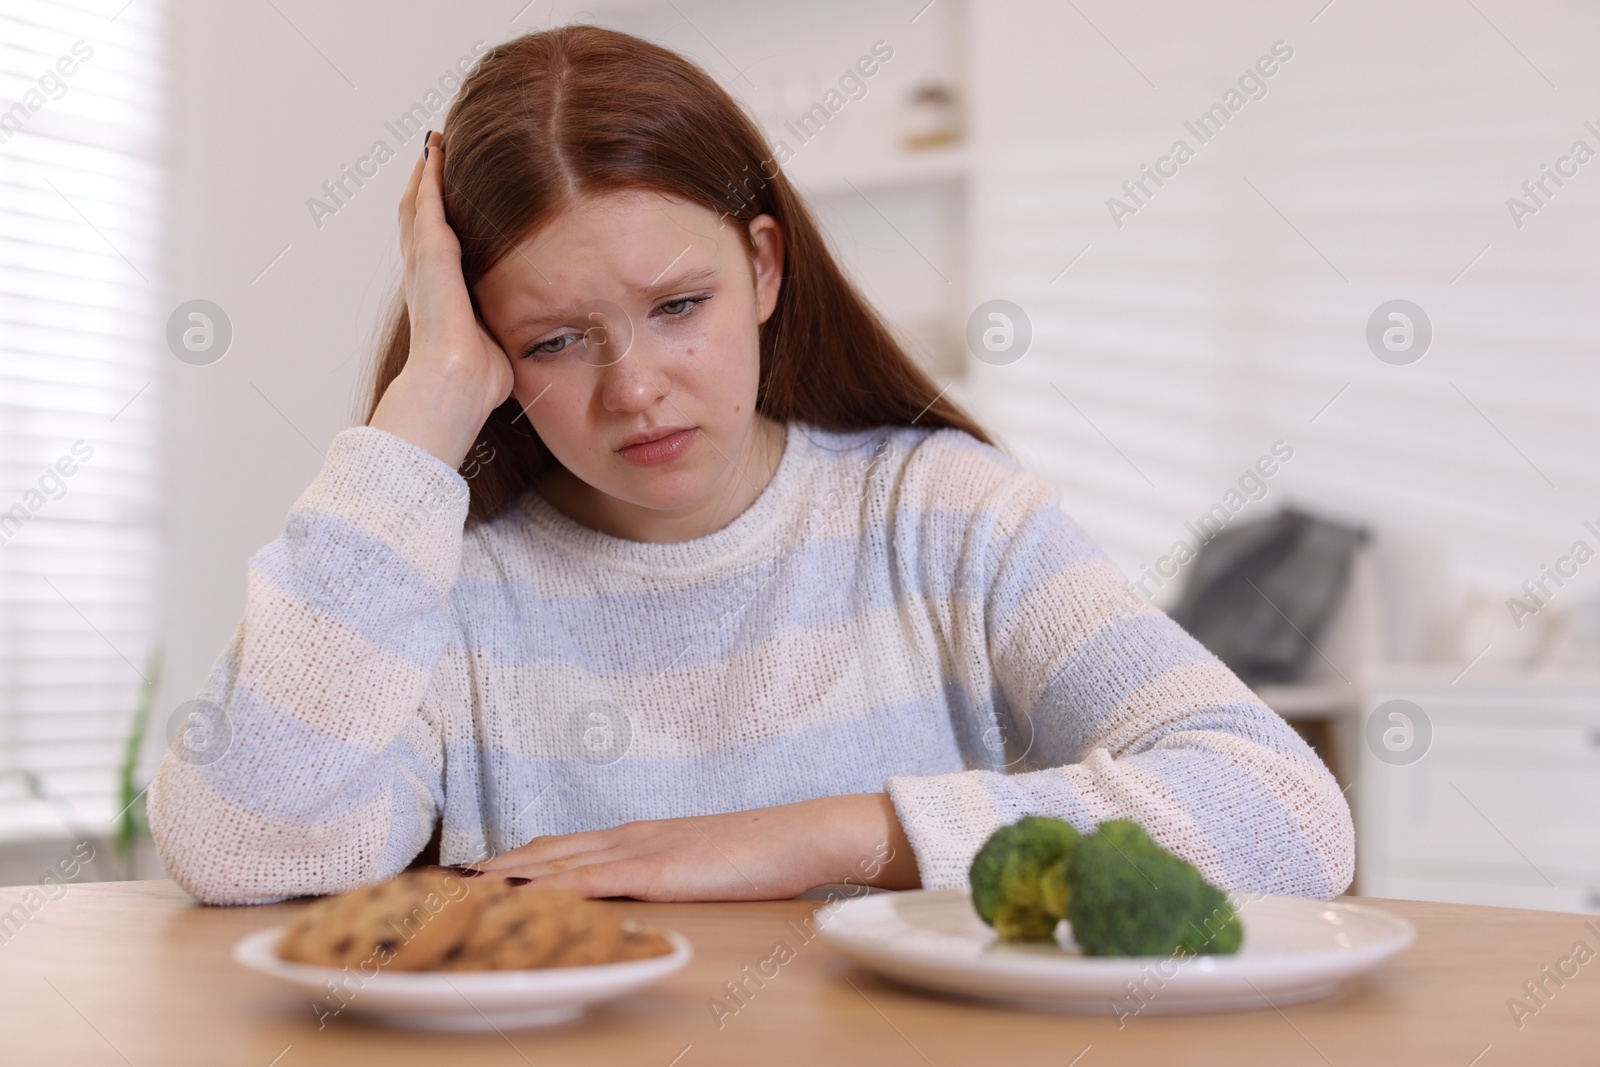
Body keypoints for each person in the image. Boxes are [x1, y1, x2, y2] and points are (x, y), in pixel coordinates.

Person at [147, 25, 1353, 906]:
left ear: (765, 267)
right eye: (551, 340)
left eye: (679, 303)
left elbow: (1283, 812)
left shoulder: (938, 515)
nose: (634, 388)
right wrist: (425, 410)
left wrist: (826, 835)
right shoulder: (443, 589)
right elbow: (246, 843)